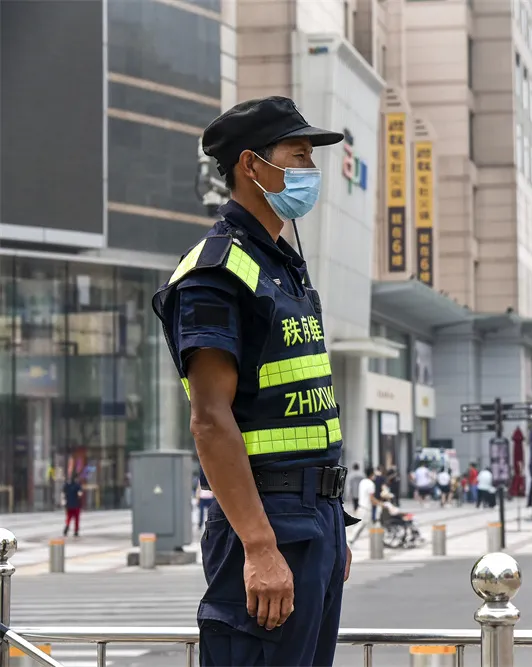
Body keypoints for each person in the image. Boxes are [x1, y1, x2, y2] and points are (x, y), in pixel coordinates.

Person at [151, 96, 360, 666]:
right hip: (266, 518)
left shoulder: (283, 265)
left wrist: (331, 527)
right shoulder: (215, 271)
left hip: (313, 519)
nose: (309, 172)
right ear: (251, 165)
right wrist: (261, 547)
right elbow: (211, 419)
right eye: (298, 156)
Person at [349, 467, 379, 546]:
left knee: (364, 525)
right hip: (366, 509)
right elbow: (371, 498)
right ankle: (350, 540)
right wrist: (379, 503)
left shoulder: (363, 481)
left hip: (361, 506)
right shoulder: (371, 484)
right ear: (372, 474)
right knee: (362, 525)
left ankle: (375, 541)